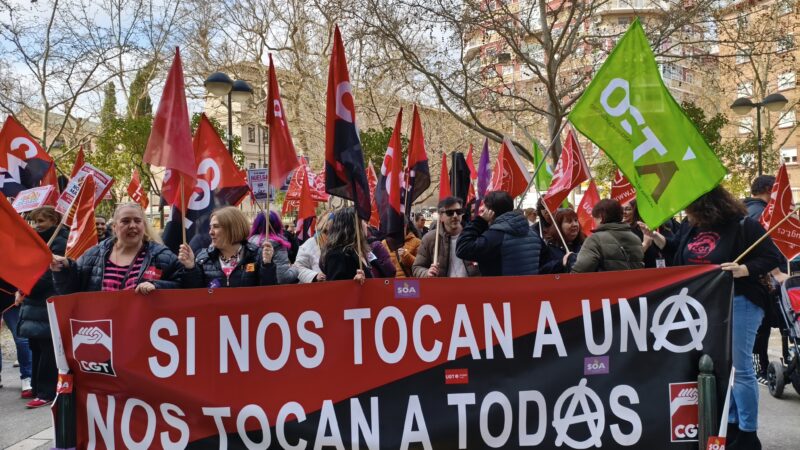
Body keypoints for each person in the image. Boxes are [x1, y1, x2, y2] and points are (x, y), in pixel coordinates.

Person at [668, 186, 782, 449]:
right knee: (722, 369)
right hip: (706, 306)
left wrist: (744, 269)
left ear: (706, 206)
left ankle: (748, 434)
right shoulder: (691, 227)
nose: (686, 213)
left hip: (740, 300)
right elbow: (678, 257)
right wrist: (660, 241)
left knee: (741, 369)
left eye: (690, 208)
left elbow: (771, 257)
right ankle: (730, 425)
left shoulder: (744, 227)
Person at [51, 202, 183, 294]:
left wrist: (158, 286)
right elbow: (69, 291)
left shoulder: (162, 256)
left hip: (145, 331)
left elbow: (185, 286)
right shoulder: (93, 255)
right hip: (104, 331)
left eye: (137, 221)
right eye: (125, 221)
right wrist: (64, 270)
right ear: (114, 227)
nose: (132, 226)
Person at [14, 206, 66, 407]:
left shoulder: (60, 242)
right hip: (34, 300)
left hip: (46, 300)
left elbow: (49, 274)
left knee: (47, 347)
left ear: (54, 220)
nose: (36, 226)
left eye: (41, 221)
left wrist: (28, 287)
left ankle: (46, 392)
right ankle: (36, 387)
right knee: (35, 344)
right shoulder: (39, 241)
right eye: (35, 222)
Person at [178, 207, 277, 288]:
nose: (210, 232)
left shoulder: (257, 255)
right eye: (210, 227)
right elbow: (193, 295)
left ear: (233, 229)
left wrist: (267, 266)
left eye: (216, 226)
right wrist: (190, 267)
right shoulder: (203, 258)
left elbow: (269, 294)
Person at [456, 190, 543, 276]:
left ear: (490, 212)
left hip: (501, 289)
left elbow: (462, 248)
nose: (482, 212)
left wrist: (479, 221)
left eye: (484, 209)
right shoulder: (534, 234)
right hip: (529, 288)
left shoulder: (495, 236)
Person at [412, 197, 480, 277]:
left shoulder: (474, 235)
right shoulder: (429, 239)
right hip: (443, 288)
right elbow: (417, 267)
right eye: (450, 213)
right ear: (441, 216)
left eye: (458, 212)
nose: (455, 216)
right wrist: (427, 273)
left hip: (472, 287)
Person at [571, 199, 644, 273]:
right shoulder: (635, 238)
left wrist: (569, 261)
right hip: (633, 284)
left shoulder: (595, 239)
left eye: (594, 218)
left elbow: (580, 271)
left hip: (606, 284)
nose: (594, 223)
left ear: (601, 217)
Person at [320, 207, 370, 283]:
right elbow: (336, 290)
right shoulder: (337, 255)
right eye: (363, 221)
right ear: (352, 226)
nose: (367, 225)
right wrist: (353, 283)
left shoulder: (359, 250)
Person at [248, 211, 298, 284]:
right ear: (277, 224)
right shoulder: (278, 244)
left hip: (252, 291)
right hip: (273, 292)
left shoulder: (249, 243)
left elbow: (248, 274)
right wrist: (295, 269)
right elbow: (282, 278)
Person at [540, 208, 585, 274]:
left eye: (576, 220)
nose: (575, 224)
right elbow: (542, 270)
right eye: (569, 221)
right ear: (559, 226)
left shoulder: (584, 244)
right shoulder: (548, 247)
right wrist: (562, 262)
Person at [293, 212, 331, 283]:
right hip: (315, 289)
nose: (329, 236)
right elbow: (298, 267)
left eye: (333, 232)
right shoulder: (309, 244)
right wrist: (315, 276)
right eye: (326, 231)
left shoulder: (341, 243)